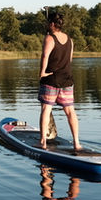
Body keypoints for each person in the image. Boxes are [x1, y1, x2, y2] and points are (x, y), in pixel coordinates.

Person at [38, 12, 81, 150]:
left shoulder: (49, 38)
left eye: (48, 23)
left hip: (51, 79)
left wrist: (42, 73)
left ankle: (43, 142)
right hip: (67, 79)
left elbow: (45, 56)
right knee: (70, 112)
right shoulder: (70, 40)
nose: (47, 25)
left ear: (52, 24)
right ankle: (77, 143)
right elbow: (69, 59)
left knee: (46, 109)